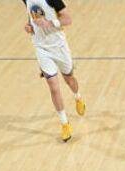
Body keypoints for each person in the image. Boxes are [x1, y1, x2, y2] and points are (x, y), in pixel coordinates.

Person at [22, 0, 85, 142]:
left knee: (69, 79)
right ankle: (65, 124)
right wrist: (29, 25)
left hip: (59, 46)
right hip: (41, 48)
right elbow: (31, 13)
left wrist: (49, 23)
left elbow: (67, 19)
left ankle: (78, 97)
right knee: (53, 87)